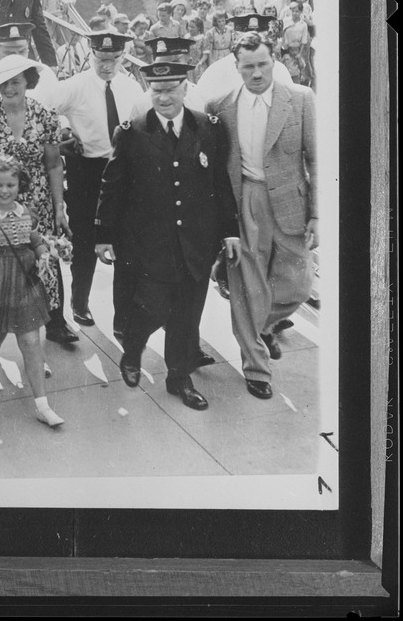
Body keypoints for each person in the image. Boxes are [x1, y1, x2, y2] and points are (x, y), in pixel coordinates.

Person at [95, 61, 240, 411]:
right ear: (149, 91)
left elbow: (219, 183)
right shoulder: (132, 132)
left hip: (196, 241)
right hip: (148, 242)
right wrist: (104, 235)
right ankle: (133, 348)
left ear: (185, 88)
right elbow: (111, 187)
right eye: (156, 90)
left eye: (171, 88)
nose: (164, 97)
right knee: (154, 306)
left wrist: (230, 232)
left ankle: (179, 378)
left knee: (188, 314)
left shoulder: (208, 127)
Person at [205, 32, 318, 399]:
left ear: (274, 61)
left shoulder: (300, 100)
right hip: (245, 201)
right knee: (248, 289)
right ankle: (256, 368)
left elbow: (316, 160)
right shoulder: (220, 107)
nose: (256, 73)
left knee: (298, 286)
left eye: (262, 64)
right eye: (248, 66)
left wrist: (316, 214)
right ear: (236, 67)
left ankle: (259, 324)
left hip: (290, 203)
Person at [0, 54, 76, 348]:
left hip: (38, 201)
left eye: (16, 82)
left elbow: (53, 164)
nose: (10, 89)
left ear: (28, 82)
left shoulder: (45, 115)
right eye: (4, 84)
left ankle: (55, 322)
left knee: (43, 255)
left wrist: (59, 206)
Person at [46, 31, 144, 334]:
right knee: (86, 239)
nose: (107, 65)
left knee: (125, 240)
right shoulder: (74, 86)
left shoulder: (131, 87)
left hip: (123, 170)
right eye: (101, 59)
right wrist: (63, 130)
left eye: (114, 59)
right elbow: (45, 108)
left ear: (123, 56)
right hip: (87, 169)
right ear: (91, 55)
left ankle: (124, 314)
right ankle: (80, 301)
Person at [0, 155, 65, 426]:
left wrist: (43, 254)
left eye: (10, 185)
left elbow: (35, 241)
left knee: (30, 341)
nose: (4, 191)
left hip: (23, 281)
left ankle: (42, 405)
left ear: (21, 186)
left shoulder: (27, 213)